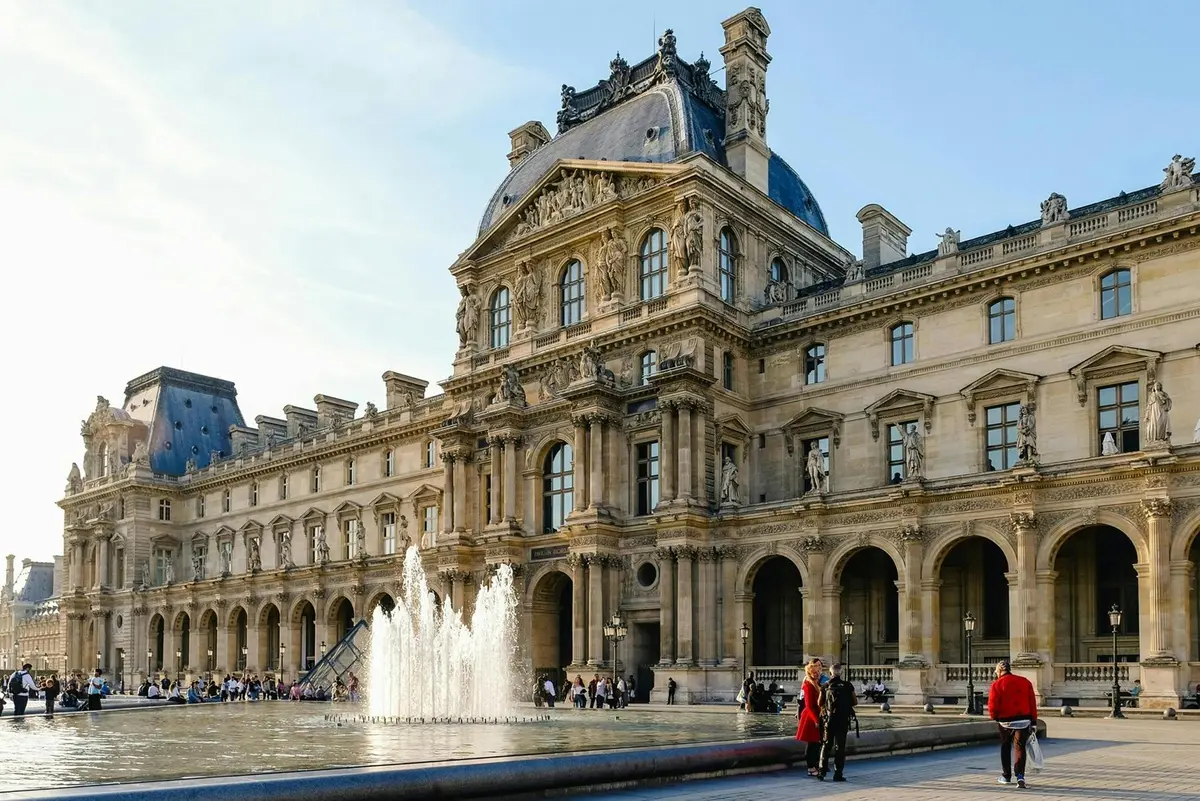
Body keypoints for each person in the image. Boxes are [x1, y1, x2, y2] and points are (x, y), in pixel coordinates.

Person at [987, 659, 1038, 790]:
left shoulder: (996, 684)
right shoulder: (1025, 682)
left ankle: (1006, 776)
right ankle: (1020, 777)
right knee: (1020, 748)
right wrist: (1033, 721)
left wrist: (994, 717)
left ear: (999, 671)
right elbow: (1032, 702)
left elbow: (992, 705)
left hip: (1005, 722)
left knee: (1005, 746)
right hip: (1023, 721)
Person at [817, 663, 857, 782]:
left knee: (826, 744)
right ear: (841, 673)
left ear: (830, 673)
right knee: (840, 747)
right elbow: (855, 702)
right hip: (843, 720)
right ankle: (838, 774)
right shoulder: (848, 685)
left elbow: (819, 703)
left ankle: (821, 772)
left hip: (829, 720)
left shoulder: (825, 686)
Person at [795, 660, 823, 776]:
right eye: (815, 672)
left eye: (818, 671)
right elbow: (809, 705)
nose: (817, 674)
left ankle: (815, 765)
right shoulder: (808, 685)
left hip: (816, 715)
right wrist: (816, 720)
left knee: (817, 743)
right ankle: (811, 767)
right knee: (812, 743)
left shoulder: (816, 683)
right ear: (810, 672)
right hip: (811, 717)